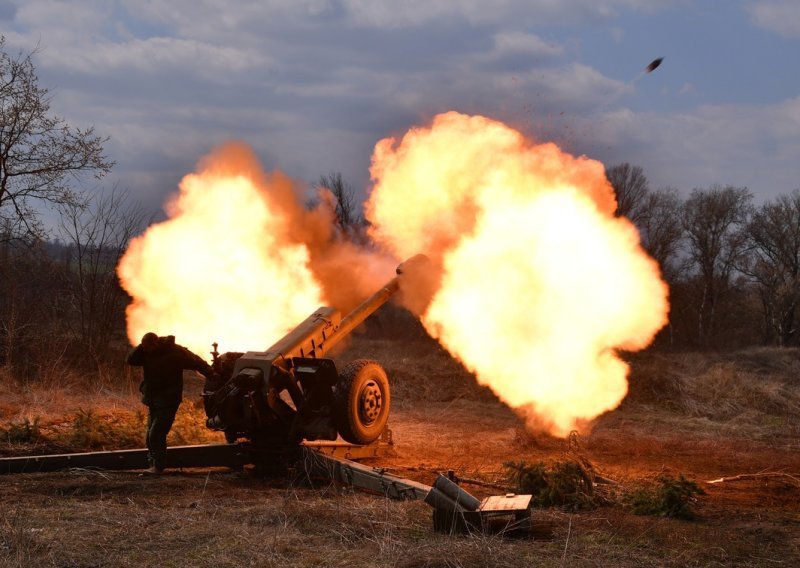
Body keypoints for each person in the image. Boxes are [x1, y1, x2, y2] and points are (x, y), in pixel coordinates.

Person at [127, 332, 214, 474]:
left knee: (156, 434)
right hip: (153, 400)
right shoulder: (145, 352)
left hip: (168, 399)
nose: (146, 350)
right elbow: (130, 360)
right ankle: (152, 464)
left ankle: (158, 467)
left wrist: (211, 373)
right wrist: (142, 347)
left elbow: (195, 361)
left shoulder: (174, 352)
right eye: (144, 348)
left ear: (155, 344)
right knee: (149, 435)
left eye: (148, 347)